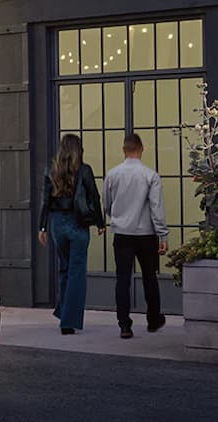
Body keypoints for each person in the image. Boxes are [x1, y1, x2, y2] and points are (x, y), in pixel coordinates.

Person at [38, 134, 106, 335]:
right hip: (78, 223)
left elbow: (45, 201)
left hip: (57, 223)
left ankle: (63, 310)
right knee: (77, 272)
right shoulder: (84, 170)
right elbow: (94, 196)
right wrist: (100, 223)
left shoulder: (51, 170)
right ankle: (68, 320)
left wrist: (42, 227)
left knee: (64, 269)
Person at [103, 133, 169, 339]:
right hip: (145, 234)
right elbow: (156, 208)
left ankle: (124, 324)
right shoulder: (150, 175)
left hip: (122, 232)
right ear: (141, 149)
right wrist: (163, 235)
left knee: (122, 279)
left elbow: (106, 204)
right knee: (150, 277)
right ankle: (153, 319)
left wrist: (116, 216)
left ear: (124, 150)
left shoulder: (112, 174)